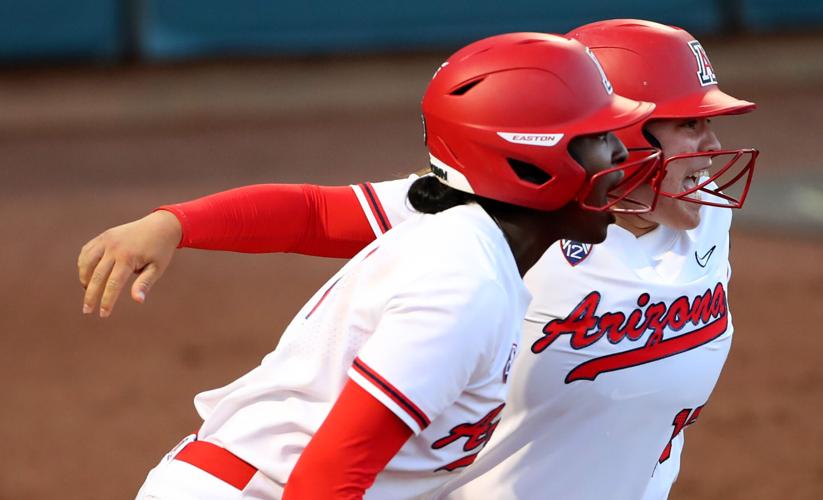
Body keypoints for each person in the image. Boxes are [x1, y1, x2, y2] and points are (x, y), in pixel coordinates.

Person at [80, 33, 662, 499]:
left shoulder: (464, 225)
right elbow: (326, 481)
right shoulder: (462, 288)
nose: (619, 154)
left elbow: (310, 214)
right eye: (598, 137)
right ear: (528, 161)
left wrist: (175, 225)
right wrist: (173, 223)